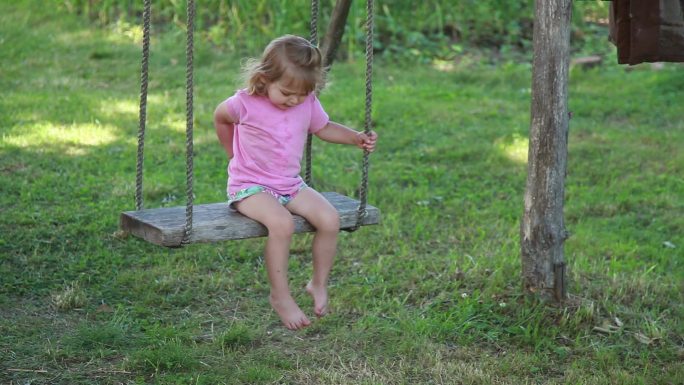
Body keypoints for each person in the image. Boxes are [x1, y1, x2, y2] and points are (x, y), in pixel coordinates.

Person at [213, 35, 378, 330]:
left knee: (330, 218)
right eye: (287, 92)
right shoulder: (245, 103)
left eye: (302, 94)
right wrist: (232, 154)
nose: (294, 100)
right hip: (250, 186)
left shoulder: (306, 102)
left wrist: (355, 137)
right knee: (282, 224)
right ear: (264, 79)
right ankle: (281, 296)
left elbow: (324, 127)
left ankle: (318, 283)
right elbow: (220, 117)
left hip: (288, 183)